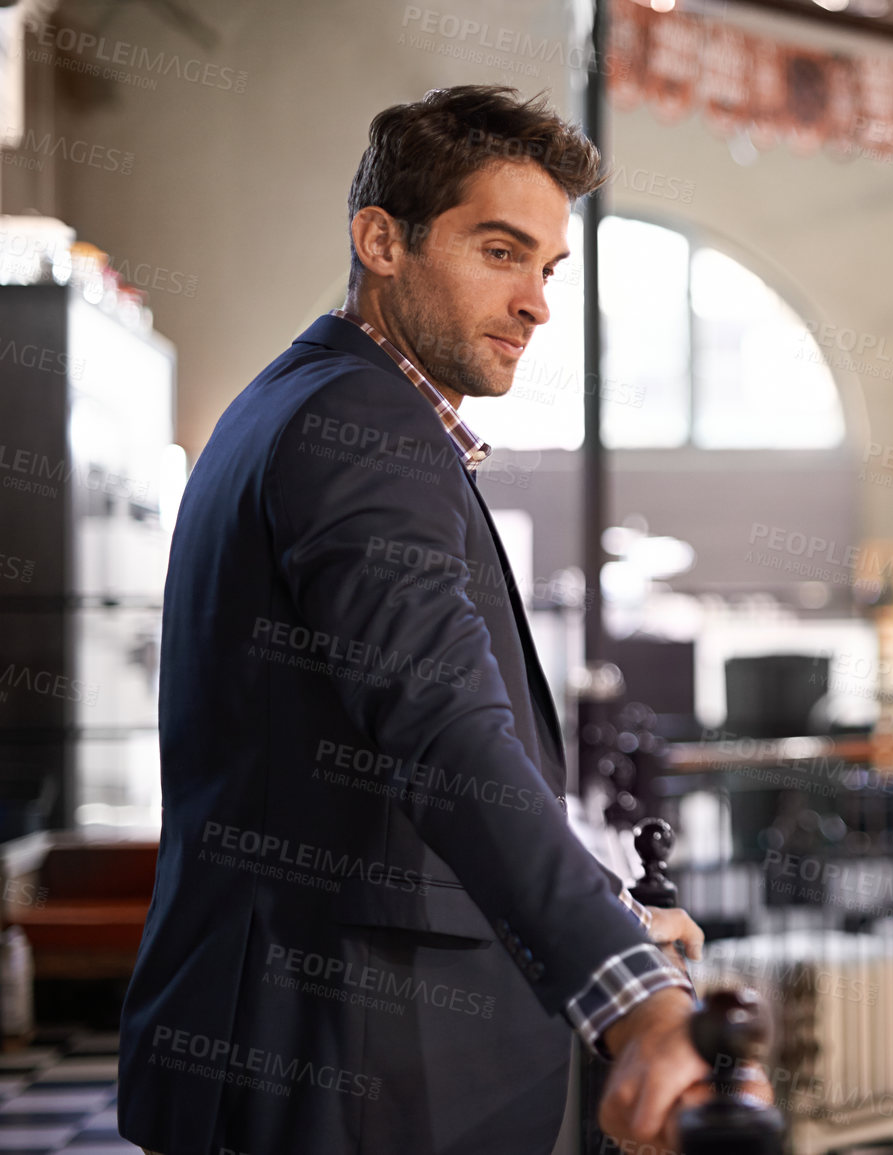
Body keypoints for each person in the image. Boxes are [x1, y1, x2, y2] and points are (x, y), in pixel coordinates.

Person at [118, 85, 712, 1155]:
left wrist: (602, 915)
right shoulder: (356, 426)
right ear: (381, 240)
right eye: (500, 251)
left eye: (548, 268)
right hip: (341, 1062)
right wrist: (639, 998)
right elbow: (444, 737)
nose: (536, 301)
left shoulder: (307, 403)